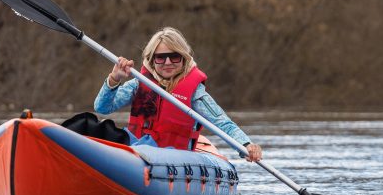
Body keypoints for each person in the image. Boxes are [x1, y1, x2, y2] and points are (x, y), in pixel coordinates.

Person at [94, 27, 263, 161]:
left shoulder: (195, 93)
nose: (167, 63)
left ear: (184, 58)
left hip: (173, 158)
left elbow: (222, 123)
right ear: (152, 60)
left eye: (174, 57)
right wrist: (114, 79)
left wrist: (246, 146)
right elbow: (102, 108)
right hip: (135, 149)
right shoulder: (139, 83)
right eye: (160, 57)